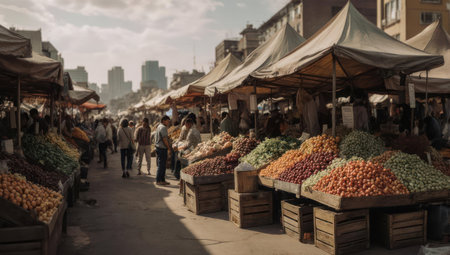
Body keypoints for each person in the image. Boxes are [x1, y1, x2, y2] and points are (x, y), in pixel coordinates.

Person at [155, 115, 172, 185]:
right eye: (168, 121)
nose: (168, 122)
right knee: (161, 165)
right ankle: (159, 180)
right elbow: (164, 139)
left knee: (162, 165)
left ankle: (162, 180)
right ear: (164, 121)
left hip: (159, 148)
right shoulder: (163, 127)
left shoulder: (159, 126)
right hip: (162, 148)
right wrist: (169, 148)